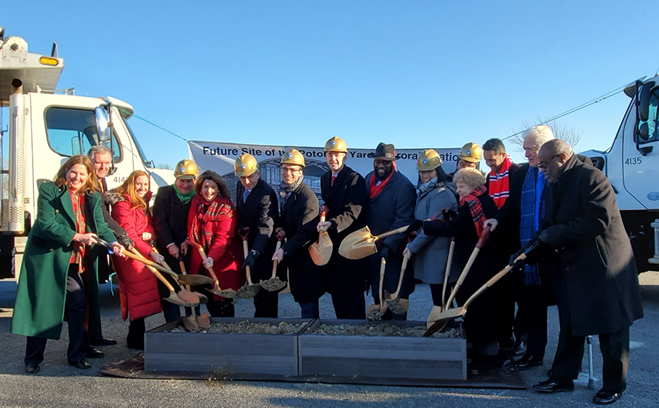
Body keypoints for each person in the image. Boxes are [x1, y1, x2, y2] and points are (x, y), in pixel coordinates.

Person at [526, 139, 643, 405]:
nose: (541, 169)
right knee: (571, 322)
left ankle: (614, 385)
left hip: (605, 265)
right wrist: (529, 251)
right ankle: (562, 377)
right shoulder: (555, 183)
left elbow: (597, 220)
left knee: (611, 327)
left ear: (563, 158)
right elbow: (548, 224)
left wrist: (552, 235)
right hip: (574, 266)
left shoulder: (592, 178)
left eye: (545, 164)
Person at [11, 155, 124, 373]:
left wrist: (113, 242)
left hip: (75, 261)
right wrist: (75, 236)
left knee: (78, 305)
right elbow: (45, 223)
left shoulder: (92, 195)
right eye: (74, 172)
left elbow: (100, 225)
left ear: (89, 176)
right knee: (42, 307)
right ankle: (33, 358)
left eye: (83, 174)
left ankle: (77, 355)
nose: (77, 177)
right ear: (66, 171)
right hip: (48, 257)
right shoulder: (49, 190)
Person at [410, 167, 501, 372]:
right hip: (473, 260)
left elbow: (453, 228)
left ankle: (486, 355)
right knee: (474, 305)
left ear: (472, 185)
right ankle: (479, 349)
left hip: (479, 263)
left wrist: (424, 225)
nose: (457, 190)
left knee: (478, 306)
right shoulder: (473, 202)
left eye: (460, 186)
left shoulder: (475, 203)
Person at [484, 125, 556, 369]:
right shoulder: (525, 174)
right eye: (525, 149)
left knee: (563, 310)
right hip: (530, 247)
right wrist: (497, 218)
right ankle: (533, 352)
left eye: (531, 149)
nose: (526, 154)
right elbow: (514, 204)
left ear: (547, 147)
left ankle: (564, 368)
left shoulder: (556, 173)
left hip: (554, 249)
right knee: (532, 305)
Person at [108, 170, 164, 350]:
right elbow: (128, 234)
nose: (142, 187)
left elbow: (147, 225)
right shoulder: (123, 205)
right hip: (131, 255)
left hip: (141, 251)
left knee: (143, 295)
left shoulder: (141, 203)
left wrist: (150, 235)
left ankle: (137, 336)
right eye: (138, 184)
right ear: (130, 183)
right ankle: (135, 338)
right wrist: (151, 251)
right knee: (136, 294)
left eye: (145, 184)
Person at [317, 137, 368, 319]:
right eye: (330, 155)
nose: (333, 159)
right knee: (336, 288)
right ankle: (341, 326)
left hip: (350, 242)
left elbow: (353, 212)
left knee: (353, 291)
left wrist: (332, 223)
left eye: (337, 155)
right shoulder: (324, 179)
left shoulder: (355, 179)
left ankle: (357, 331)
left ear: (345, 157)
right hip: (332, 243)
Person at [87, 145, 133, 347]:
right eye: (99, 162)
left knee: (93, 292)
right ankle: (87, 339)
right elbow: (102, 217)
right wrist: (121, 234)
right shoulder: (89, 184)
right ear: (90, 162)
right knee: (86, 294)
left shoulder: (100, 181)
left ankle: (94, 335)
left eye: (106, 162)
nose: (103, 166)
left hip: (97, 241)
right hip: (87, 242)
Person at [364, 143, 416, 320]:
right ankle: (381, 335)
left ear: (392, 163)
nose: (380, 165)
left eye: (385, 162)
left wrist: (388, 244)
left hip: (394, 251)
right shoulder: (368, 179)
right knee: (378, 295)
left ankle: (399, 337)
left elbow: (403, 219)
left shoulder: (404, 186)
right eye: (378, 161)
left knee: (396, 298)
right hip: (372, 249)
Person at [403, 149, 459, 311]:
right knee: (439, 297)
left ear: (437, 171)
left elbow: (433, 228)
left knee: (442, 298)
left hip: (439, 254)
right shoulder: (426, 191)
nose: (424, 176)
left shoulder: (442, 194)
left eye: (428, 171)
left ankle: (449, 326)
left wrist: (412, 248)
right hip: (431, 253)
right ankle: (446, 326)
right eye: (421, 172)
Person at [272, 149, 324, 318]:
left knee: (308, 304)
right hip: (297, 259)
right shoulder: (288, 192)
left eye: (293, 170)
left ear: (300, 172)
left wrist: (284, 249)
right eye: (285, 169)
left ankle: (310, 339)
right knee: (302, 299)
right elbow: (291, 220)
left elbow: (306, 232)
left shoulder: (307, 197)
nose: (288, 173)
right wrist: (282, 228)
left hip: (306, 260)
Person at [482, 137, 521, 352]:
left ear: (503, 155)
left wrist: (500, 218)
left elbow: (514, 203)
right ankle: (501, 334)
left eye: (492, 159)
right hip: (496, 239)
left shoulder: (515, 173)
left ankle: (511, 336)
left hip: (512, 238)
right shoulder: (490, 176)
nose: (489, 163)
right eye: (486, 159)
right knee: (497, 291)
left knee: (512, 293)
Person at [187, 171, 243, 317]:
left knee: (223, 302)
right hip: (200, 259)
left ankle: (227, 332)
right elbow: (190, 227)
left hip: (221, 260)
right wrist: (189, 240)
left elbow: (224, 237)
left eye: (213, 187)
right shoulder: (196, 202)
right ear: (200, 188)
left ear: (219, 189)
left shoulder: (226, 208)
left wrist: (212, 257)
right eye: (205, 187)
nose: (209, 191)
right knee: (208, 299)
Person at [152, 159, 199, 323]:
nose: (185, 185)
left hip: (190, 248)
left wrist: (188, 240)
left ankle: (193, 319)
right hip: (167, 249)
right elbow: (159, 221)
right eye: (182, 181)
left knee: (190, 287)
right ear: (176, 179)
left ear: (195, 180)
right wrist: (170, 244)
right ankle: (173, 324)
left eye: (189, 181)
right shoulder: (164, 194)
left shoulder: (198, 198)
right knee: (170, 288)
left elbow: (197, 222)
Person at [234, 154, 280, 317]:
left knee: (266, 289)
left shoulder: (266, 194)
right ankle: (259, 318)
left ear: (258, 173)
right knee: (254, 287)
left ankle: (269, 322)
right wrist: (239, 225)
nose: (246, 181)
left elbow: (265, 225)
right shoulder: (242, 187)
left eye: (250, 177)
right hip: (249, 243)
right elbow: (241, 209)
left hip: (264, 247)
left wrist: (254, 252)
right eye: (242, 178)